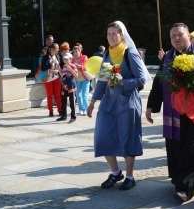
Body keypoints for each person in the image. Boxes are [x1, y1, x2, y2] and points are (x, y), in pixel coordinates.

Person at [145, 23, 194, 202]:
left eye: (180, 34)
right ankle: (187, 179)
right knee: (177, 146)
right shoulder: (168, 56)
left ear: (188, 35)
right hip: (174, 110)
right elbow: (159, 82)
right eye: (173, 36)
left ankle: (184, 186)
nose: (177, 38)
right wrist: (151, 105)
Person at [88, 21, 149, 190]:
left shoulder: (130, 53)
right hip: (109, 102)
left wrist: (123, 82)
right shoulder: (107, 53)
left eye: (115, 33)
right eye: (109, 34)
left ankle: (129, 176)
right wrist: (92, 102)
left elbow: (141, 79)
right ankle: (115, 172)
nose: (111, 37)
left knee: (128, 138)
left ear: (122, 35)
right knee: (102, 136)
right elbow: (101, 79)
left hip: (127, 101)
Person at [41, 43, 63, 117]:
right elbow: (43, 68)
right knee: (49, 95)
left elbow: (60, 66)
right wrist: (51, 69)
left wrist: (58, 71)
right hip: (48, 78)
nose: (58, 50)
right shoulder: (45, 57)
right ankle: (50, 111)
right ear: (52, 49)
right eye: (57, 48)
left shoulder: (58, 56)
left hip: (56, 78)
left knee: (57, 95)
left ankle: (60, 110)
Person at [59, 52, 78, 123]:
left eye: (66, 59)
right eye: (64, 59)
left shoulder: (73, 66)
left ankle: (73, 116)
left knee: (72, 101)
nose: (65, 61)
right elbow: (63, 76)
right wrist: (59, 70)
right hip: (65, 86)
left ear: (70, 59)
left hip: (71, 86)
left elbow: (76, 75)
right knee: (63, 101)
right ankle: (64, 115)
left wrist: (70, 69)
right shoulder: (64, 66)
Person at [72, 44, 90, 116]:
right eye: (74, 52)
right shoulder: (72, 60)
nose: (75, 53)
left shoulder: (84, 57)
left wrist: (80, 66)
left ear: (80, 51)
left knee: (84, 94)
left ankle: (86, 109)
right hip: (77, 79)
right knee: (78, 95)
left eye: (76, 51)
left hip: (85, 78)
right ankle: (81, 109)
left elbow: (88, 67)